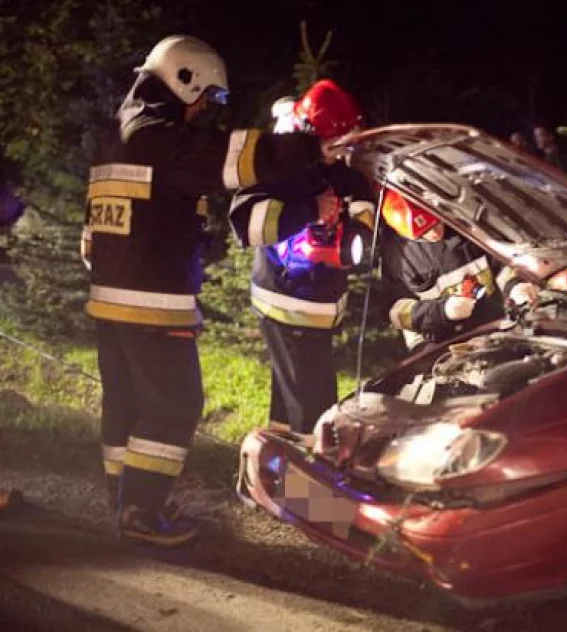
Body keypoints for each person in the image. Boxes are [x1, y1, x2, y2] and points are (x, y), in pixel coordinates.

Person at [83, 35, 334, 546]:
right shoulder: (157, 136)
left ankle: (125, 501)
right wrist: (313, 148)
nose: (207, 110)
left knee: (125, 405)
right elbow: (234, 157)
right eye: (209, 97)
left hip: (111, 302)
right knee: (175, 405)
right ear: (184, 78)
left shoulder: (118, 136)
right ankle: (142, 512)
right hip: (152, 303)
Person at [229, 79, 373, 439]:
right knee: (314, 408)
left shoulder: (343, 172)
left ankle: (272, 477)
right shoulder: (278, 164)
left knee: (290, 399)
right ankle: (308, 493)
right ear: (309, 134)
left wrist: (354, 225)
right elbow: (246, 223)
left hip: (320, 305)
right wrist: (310, 210)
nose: (339, 152)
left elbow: (364, 215)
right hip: (285, 302)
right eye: (332, 144)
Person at [379, 191, 540, 353]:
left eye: (436, 223)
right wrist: (442, 311)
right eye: (425, 232)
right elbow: (396, 313)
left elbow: (501, 266)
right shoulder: (396, 257)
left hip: (496, 328)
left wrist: (515, 286)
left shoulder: (467, 229)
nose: (435, 233)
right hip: (439, 348)